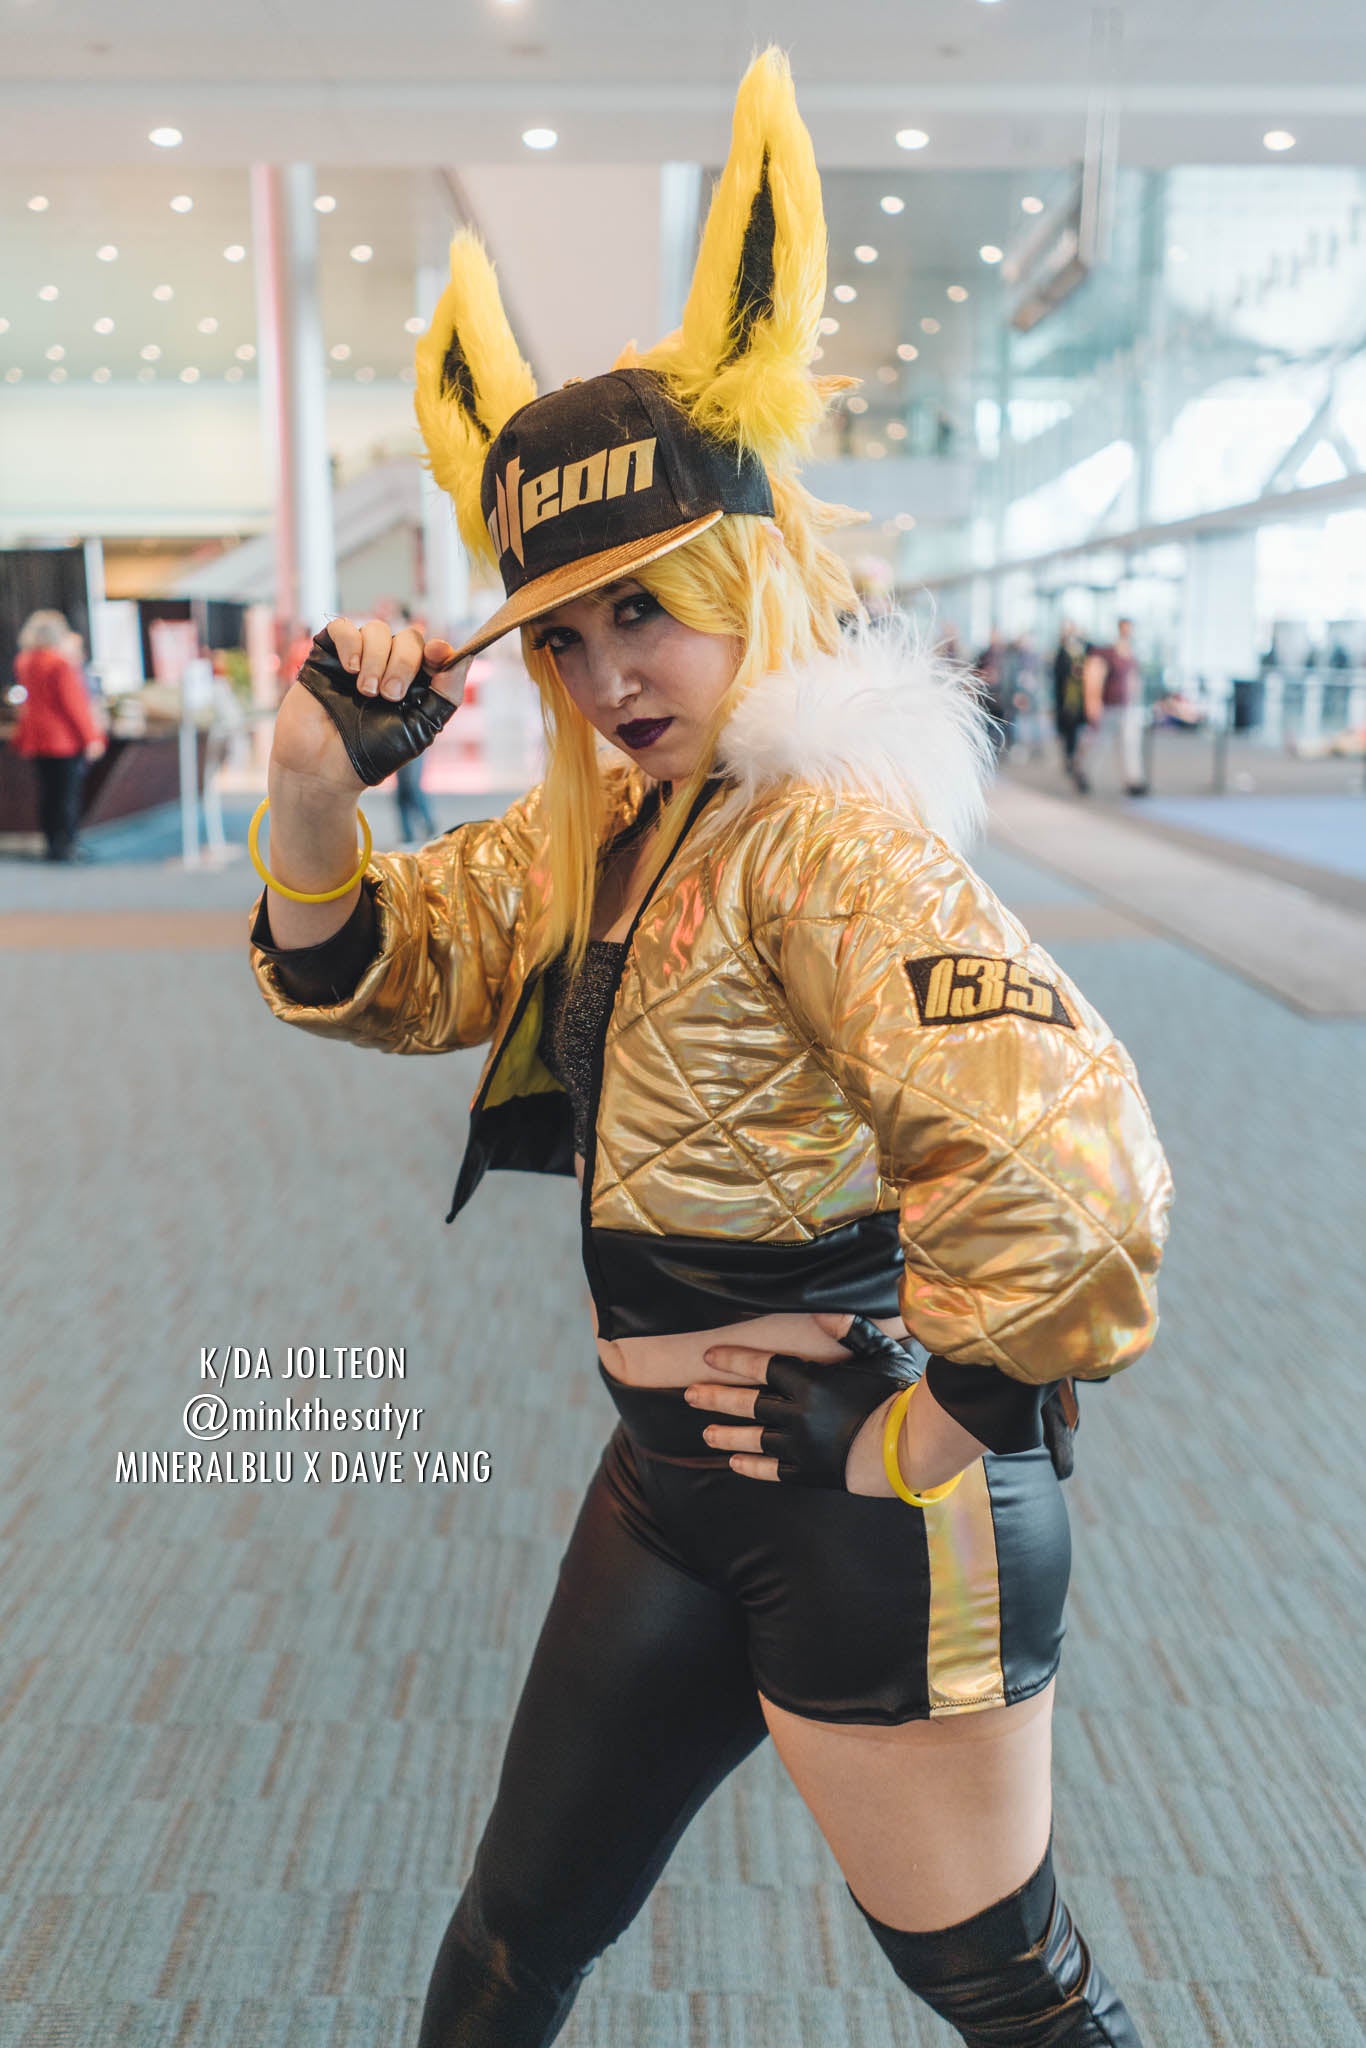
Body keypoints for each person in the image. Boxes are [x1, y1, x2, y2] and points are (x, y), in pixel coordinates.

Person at [247, 50, 1171, 2046]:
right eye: (562, 640)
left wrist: (941, 1423)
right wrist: (315, 787)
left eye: (643, 616)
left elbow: (1068, 1158)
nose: (605, 677)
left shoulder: (827, 835)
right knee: (513, 1935)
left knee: (1005, 1989)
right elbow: (372, 971)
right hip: (662, 1486)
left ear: (745, 570)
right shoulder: (602, 830)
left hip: (873, 1500)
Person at [10, 609, 106, 860]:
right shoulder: (59, 663)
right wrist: (91, 738)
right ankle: (68, 844)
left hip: (36, 737)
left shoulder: (24, 660)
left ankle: (52, 843)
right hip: (62, 738)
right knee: (66, 795)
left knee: (47, 793)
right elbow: (73, 704)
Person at [1084, 619, 1148, 796]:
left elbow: (1134, 681)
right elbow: (1094, 677)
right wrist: (1093, 702)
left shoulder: (1131, 655)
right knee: (1098, 743)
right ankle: (1084, 773)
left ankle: (1132, 780)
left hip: (1126, 707)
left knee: (1129, 744)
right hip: (1108, 706)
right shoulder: (1107, 653)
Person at [1052, 620, 1091, 792]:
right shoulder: (1061, 652)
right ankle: (1070, 760)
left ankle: (1076, 761)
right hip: (1066, 702)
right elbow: (1058, 677)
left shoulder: (1085, 649)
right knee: (1068, 734)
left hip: (1082, 701)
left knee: (1081, 734)